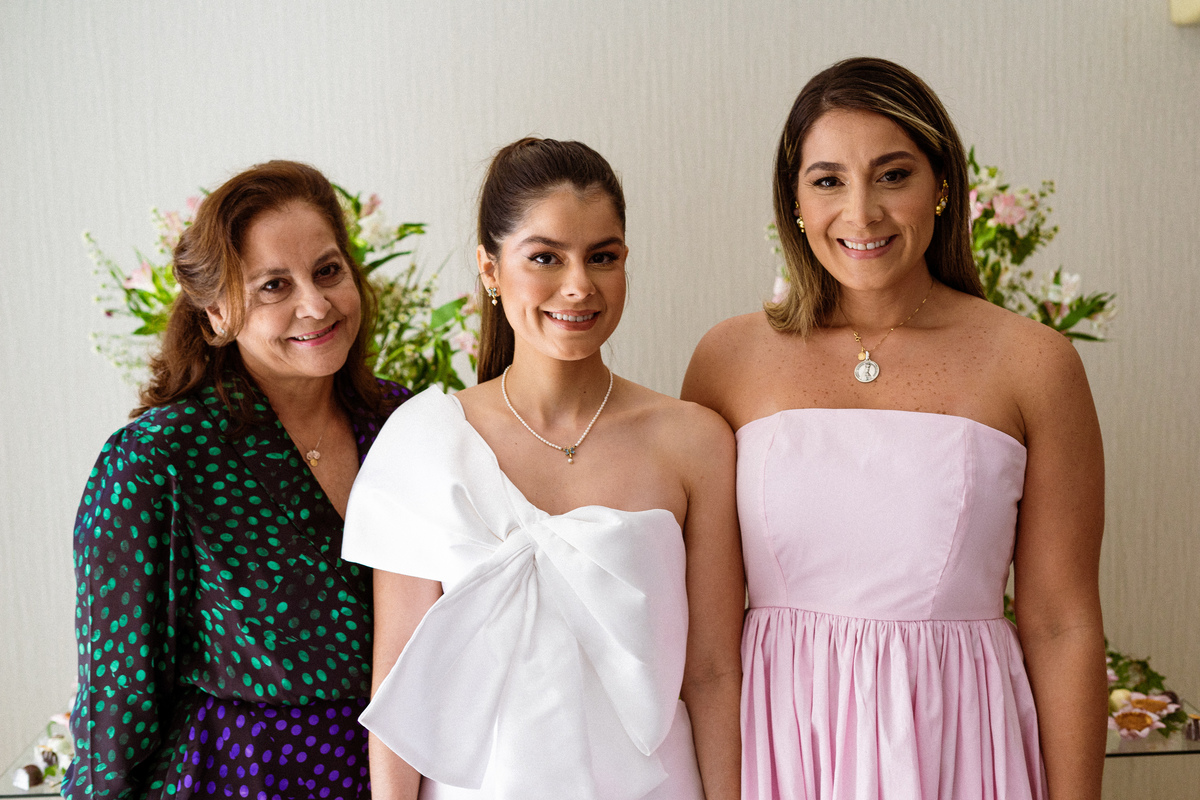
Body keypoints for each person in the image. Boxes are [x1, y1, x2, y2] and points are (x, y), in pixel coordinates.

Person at [682, 58, 1106, 800]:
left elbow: (1061, 625)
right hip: (781, 747)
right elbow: (707, 649)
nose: (862, 213)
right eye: (828, 180)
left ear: (942, 185)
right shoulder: (728, 360)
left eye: (893, 175)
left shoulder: (1035, 363)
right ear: (794, 200)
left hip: (960, 745)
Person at [342, 137, 745, 800]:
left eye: (603, 257)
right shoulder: (425, 441)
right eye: (545, 257)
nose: (579, 285)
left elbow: (711, 673)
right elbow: (397, 683)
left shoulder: (694, 440)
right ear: (490, 269)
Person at [67, 160, 408, 800]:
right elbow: (116, 705)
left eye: (328, 271)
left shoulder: (404, 425)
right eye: (274, 286)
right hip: (237, 780)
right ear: (217, 315)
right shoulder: (156, 462)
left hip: (401, 778)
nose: (316, 305)